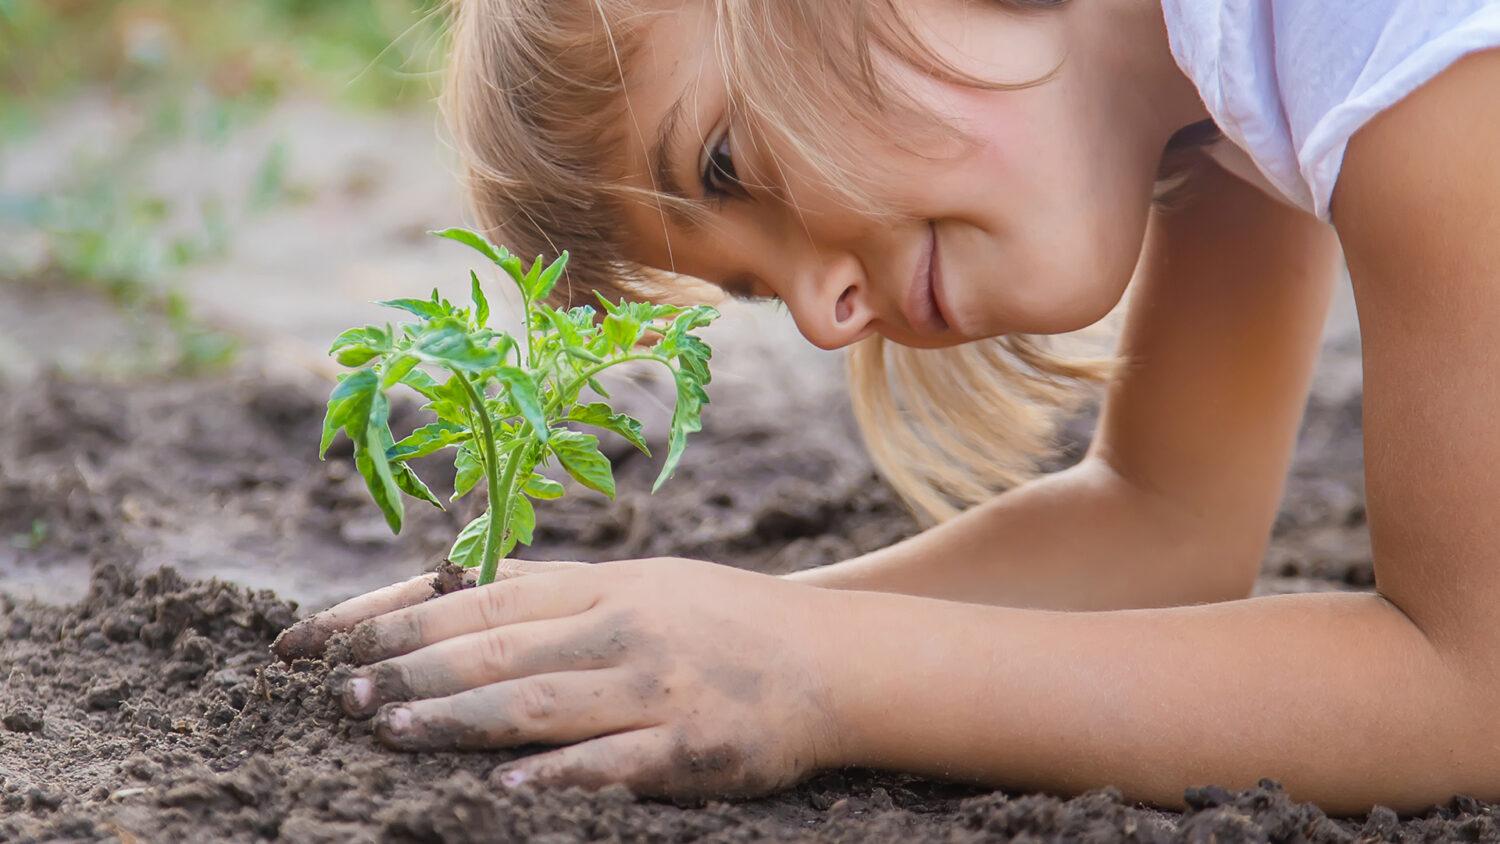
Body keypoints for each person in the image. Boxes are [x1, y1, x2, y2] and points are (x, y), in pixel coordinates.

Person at [273, 0, 1500, 812]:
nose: (823, 318)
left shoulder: (1395, 39)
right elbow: (1168, 524)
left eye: (724, 165)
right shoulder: (1206, 95)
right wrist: (695, 640)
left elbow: (1471, 686)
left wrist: (825, 674)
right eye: (757, 289)